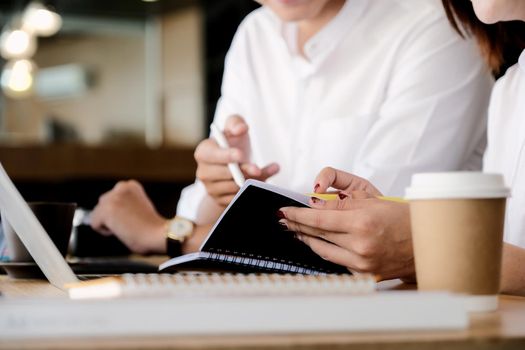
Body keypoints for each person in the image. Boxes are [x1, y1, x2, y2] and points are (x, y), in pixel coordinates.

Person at [90, 0, 492, 256]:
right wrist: (219, 187)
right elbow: (205, 209)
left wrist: (164, 233)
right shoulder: (255, 33)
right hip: (263, 301)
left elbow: (369, 237)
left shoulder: (435, 27)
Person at [279, 0, 525, 294]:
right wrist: (399, 231)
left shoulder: (433, 35)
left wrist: (431, 249)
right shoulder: (510, 91)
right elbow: (509, 257)